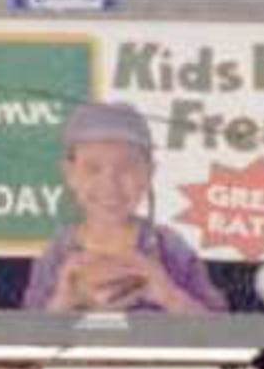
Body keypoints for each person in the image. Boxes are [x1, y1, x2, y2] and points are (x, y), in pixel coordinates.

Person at [21, 100, 221, 316]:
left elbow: (221, 332)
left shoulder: (169, 248)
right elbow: (27, 337)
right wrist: (63, 300)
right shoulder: (58, 253)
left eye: (126, 167)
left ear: (149, 173)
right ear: (70, 173)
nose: (110, 184)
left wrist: (168, 295)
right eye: (92, 168)